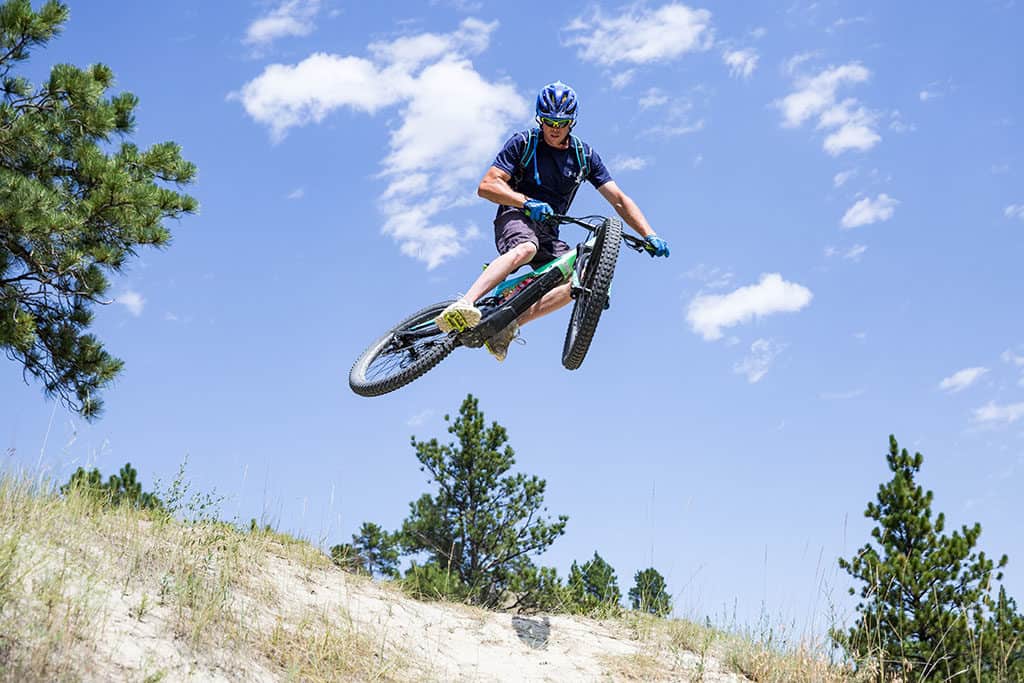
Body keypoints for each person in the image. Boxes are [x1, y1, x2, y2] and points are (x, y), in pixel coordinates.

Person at [435, 81, 670, 361]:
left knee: (579, 283)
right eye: (548, 121)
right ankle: (464, 304)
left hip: (550, 229)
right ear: (539, 118)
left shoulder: (584, 156)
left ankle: (506, 327)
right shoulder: (524, 142)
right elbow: (487, 186)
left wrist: (648, 234)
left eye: (561, 122)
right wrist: (525, 201)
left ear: (572, 121)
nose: (554, 128)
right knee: (526, 249)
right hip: (516, 214)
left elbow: (618, 199)